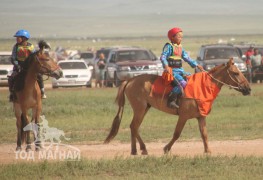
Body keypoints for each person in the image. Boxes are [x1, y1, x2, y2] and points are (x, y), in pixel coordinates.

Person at [160, 27, 203, 108]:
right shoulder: (169, 46)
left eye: (181, 37)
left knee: (191, 78)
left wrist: (196, 64)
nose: (181, 38)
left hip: (180, 71)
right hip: (172, 71)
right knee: (182, 84)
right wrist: (166, 65)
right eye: (179, 36)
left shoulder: (180, 48)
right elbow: (163, 57)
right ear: (172, 37)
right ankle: (171, 101)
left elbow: (187, 58)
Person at [8, 29, 46, 101]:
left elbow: (35, 56)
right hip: (19, 66)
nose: (16, 39)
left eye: (18, 37)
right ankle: (12, 94)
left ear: (24, 38)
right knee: (11, 78)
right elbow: (13, 58)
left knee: (39, 76)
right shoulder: (16, 47)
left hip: (29, 66)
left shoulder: (31, 46)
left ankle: (42, 91)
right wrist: (17, 65)